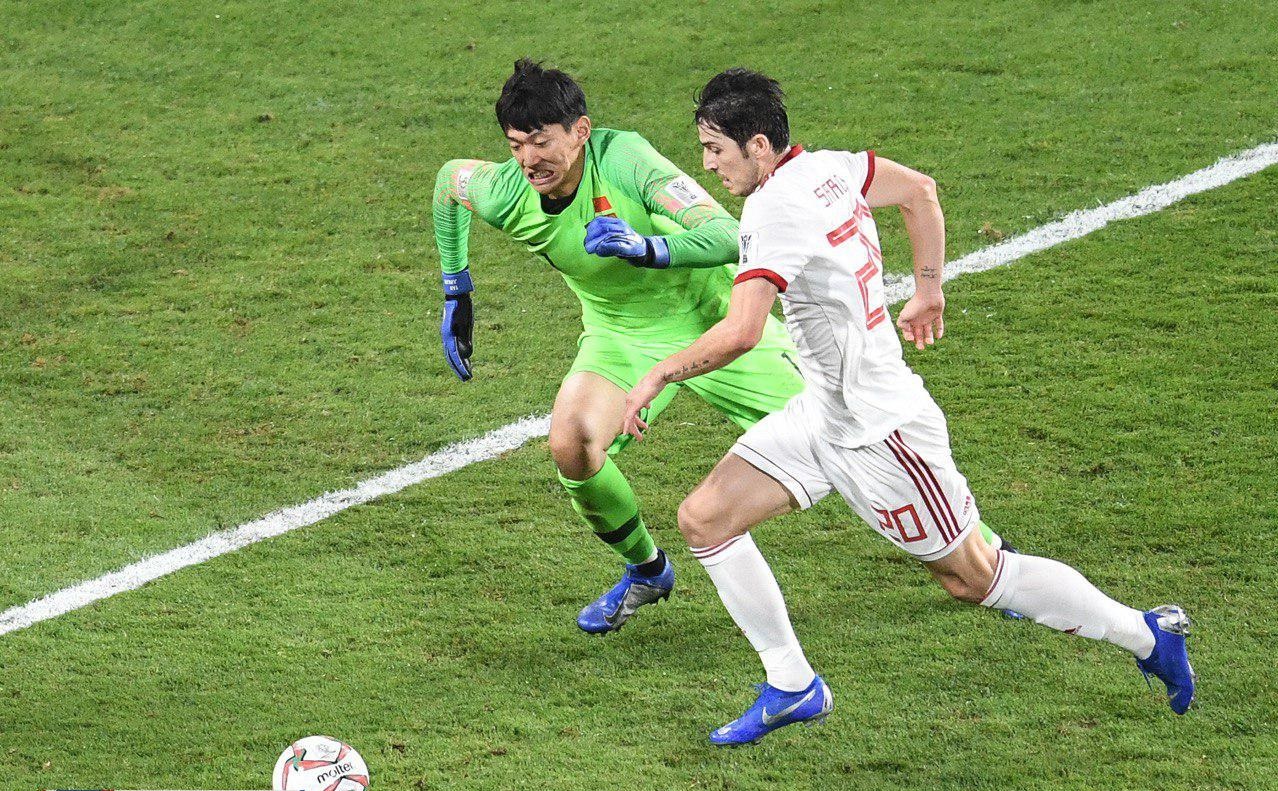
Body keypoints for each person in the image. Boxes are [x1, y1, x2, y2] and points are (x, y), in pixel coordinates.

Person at [621, 68, 1195, 745]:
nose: (708, 164)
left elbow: (744, 330)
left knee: (976, 577)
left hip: (882, 432)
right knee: (705, 519)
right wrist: (928, 289)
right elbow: (919, 191)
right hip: (824, 414)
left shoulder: (773, 209)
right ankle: (793, 685)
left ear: (758, 146)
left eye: (715, 149)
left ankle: (1145, 633)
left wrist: (659, 373)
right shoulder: (831, 167)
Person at [432, 58, 812, 633]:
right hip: (622, 335)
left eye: (541, 141)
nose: (528, 159)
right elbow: (448, 181)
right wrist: (456, 287)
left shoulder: (624, 158)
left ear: (580, 131)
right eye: (515, 145)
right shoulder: (504, 192)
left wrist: (645, 248)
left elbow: (727, 235)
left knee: (844, 432)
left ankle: (963, 549)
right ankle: (647, 569)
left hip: (715, 323)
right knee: (572, 443)